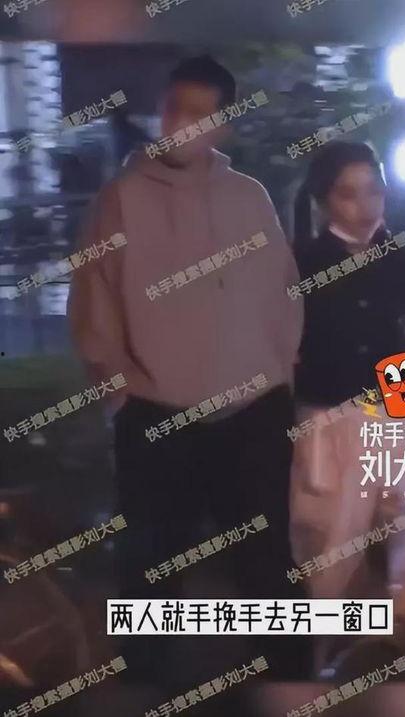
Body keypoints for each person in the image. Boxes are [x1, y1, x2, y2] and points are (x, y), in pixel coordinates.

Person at [68, 55, 310, 688]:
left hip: (253, 413)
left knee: (266, 561)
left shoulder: (249, 197)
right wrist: (120, 393)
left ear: (223, 123)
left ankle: (290, 685)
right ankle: (146, 691)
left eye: (199, 113)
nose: (181, 123)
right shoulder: (121, 200)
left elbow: (284, 293)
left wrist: (277, 375)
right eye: (174, 108)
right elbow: (93, 304)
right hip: (156, 413)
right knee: (149, 567)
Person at [289, 141, 405, 670]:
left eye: (374, 190)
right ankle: (317, 658)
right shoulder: (303, 264)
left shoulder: (401, 260)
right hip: (332, 419)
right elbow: (292, 351)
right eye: (348, 194)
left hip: (398, 412)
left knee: (404, 530)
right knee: (331, 541)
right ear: (324, 199)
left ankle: (397, 651)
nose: (365, 205)